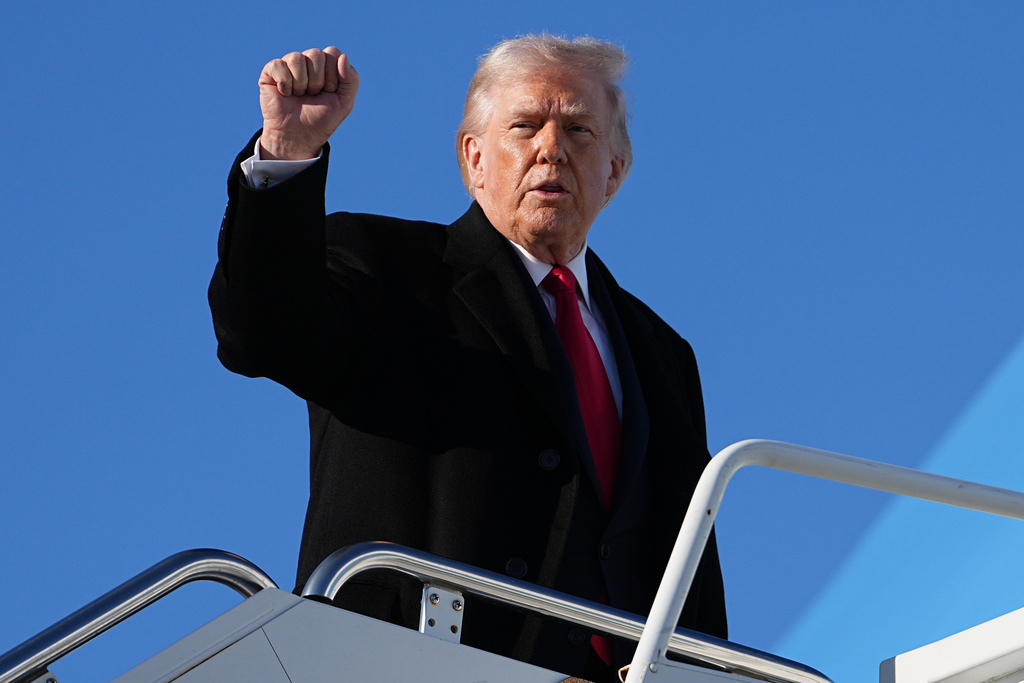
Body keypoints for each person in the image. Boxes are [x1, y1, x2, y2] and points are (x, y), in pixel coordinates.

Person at [209, 35, 726, 682]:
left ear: (615, 170)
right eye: (525, 125)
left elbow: (687, 551)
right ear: (474, 158)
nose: (551, 148)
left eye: (578, 129)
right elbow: (261, 332)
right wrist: (287, 153)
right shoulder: (386, 266)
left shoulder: (663, 351)